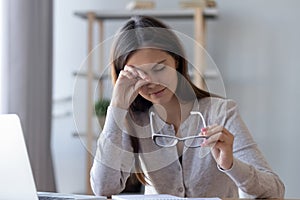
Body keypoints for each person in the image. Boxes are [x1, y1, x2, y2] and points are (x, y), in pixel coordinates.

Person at [90, 15, 285, 198]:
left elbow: (275, 189)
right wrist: (116, 108)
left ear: (176, 60)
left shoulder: (220, 112)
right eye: (138, 75)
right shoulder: (131, 120)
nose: (152, 83)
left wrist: (230, 165)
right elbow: (103, 187)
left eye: (159, 68)